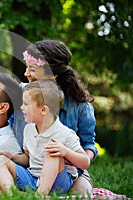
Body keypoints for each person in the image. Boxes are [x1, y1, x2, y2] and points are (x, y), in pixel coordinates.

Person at [11, 39, 98, 196]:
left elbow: (88, 145)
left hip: (67, 171)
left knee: (81, 194)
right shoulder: (19, 94)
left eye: (32, 69)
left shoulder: (80, 106)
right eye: (26, 67)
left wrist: (72, 156)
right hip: (29, 167)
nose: (26, 74)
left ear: (53, 75)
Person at [0, 80, 90, 196]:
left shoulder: (65, 134)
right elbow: (28, 158)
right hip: (33, 178)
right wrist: (12, 157)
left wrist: (66, 152)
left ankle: (40, 196)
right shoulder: (28, 129)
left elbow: (85, 162)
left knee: (52, 152)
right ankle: (12, 194)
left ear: (43, 110)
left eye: (26, 104)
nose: (22, 108)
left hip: (57, 183)